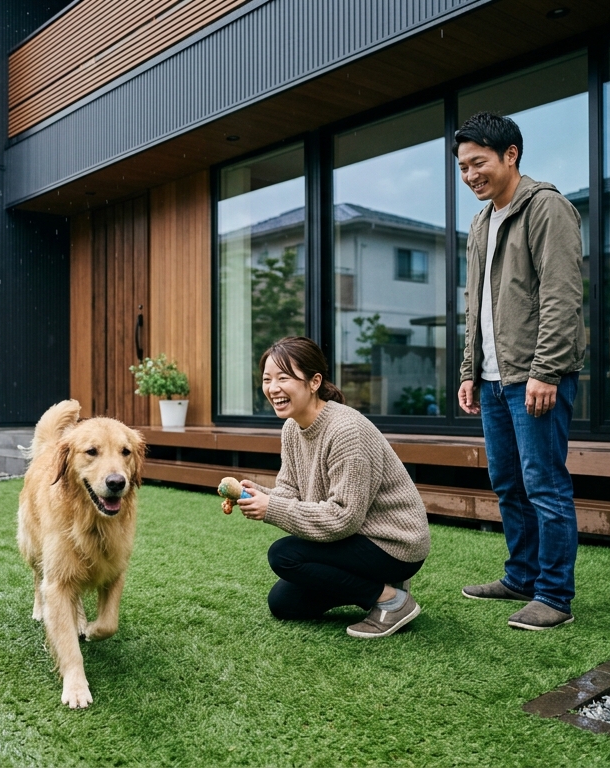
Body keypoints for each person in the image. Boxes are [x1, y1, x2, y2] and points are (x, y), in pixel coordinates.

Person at [454, 111, 585, 631]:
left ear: (510, 155)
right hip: (492, 378)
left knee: (544, 484)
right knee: (508, 482)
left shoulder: (547, 208)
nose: (469, 176)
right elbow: (476, 305)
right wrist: (470, 369)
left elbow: (561, 296)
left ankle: (553, 595)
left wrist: (547, 370)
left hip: (535, 376)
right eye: (462, 167)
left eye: (478, 162)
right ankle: (521, 575)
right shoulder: (482, 221)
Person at [236, 336, 431, 639]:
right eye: (267, 379)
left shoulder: (346, 430)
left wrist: (271, 508)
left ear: (314, 381)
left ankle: (392, 601)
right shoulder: (292, 428)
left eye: (283, 378)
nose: (273, 388)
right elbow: (289, 492)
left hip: (394, 543)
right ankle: (383, 588)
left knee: (284, 554)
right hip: (357, 537)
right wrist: (261, 495)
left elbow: (343, 517)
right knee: (284, 603)